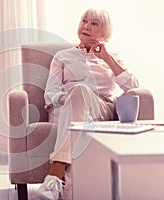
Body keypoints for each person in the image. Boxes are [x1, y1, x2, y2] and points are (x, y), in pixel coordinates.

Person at [37, 8, 139, 200]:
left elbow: (132, 86)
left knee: (81, 91)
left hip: (101, 109)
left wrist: (107, 59)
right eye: (84, 21)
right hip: (66, 108)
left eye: (94, 23)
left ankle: (55, 174)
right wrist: (69, 100)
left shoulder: (111, 57)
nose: (86, 26)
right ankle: (66, 192)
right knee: (79, 94)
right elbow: (51, 93)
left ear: (104, 32)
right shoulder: (62, 56)